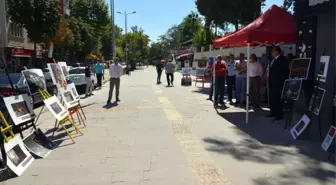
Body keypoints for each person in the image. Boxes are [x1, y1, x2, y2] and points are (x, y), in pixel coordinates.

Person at [268, 46, 289, 120]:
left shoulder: (282, 60)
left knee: (278, 99)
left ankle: (279, 114)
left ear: (277, 52)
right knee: (273, 98)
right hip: (273, 82)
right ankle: (273, 112)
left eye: (273, 51)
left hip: (279, 83)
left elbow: (284, 72)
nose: (271, 53)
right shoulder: (273, 59)